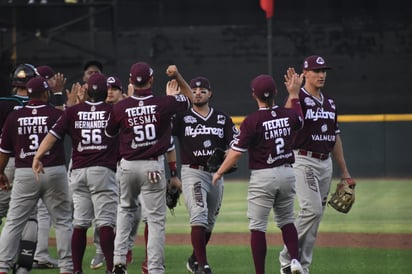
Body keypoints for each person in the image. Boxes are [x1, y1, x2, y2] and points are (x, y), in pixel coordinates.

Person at [211, 72, 304, 274]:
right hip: (288, 173)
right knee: (287, 220)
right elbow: (299, 119)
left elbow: (236, 154)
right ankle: (295, 260)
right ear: (277, 92)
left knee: (258, 226)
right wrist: (294, 95)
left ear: (254, 95)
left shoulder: (252, 120)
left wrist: (219, 172)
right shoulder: (288, 115)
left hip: (264, 176)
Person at [105, 62, 193, 274]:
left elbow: (109, 133)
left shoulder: (120, 107)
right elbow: (191, 98)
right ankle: (154, 268)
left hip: (127, 166)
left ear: (130, 82)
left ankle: (118, 263)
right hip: (152, 166)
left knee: (125, 211)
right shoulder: (164, 103)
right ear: (151, 80)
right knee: (154, 220)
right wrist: (178, 77)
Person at [33, 73, 119, 274]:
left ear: (86, 91)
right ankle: (110, 269)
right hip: (102, 171)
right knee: (105, 223)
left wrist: (37, 156)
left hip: (78, 172)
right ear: (107, 92)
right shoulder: (113, 111)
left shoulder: (73, 112)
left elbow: (52, 137)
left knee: (80, 223)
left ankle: (77, 270)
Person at [278, 56, 353, 274]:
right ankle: (286, 256)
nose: (321, 75)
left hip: (325, 163)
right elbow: (286, 120)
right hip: (302, 159)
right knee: (312, 209)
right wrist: (293, 93)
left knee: (316, 216)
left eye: (323, 71)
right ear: (305, 74)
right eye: (316, 71)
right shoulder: (298, 96)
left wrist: (345, 172)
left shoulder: (329, 102)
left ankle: (303, 266)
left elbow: (335, 137)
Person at [0, 76, 73, 274]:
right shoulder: (54, 113)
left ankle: (3, 267)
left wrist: (0, 172)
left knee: (14, 221)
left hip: (25, 171)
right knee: (63, 221)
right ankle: (67, 267)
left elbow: (4, 151)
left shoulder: (14, 116)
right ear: (46, 93)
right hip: (54, 170)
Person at [171, 76, 239, 274]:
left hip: (216, 174)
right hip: (193, 171)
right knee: (199, 217)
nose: (198, 92)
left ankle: (194, 259)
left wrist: (229, 153)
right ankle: (203, 266)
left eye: (203, 90)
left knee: (209, 223)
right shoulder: (182, 117)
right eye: (194, 90)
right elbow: (164, 134)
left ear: (210, 93)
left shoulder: (221, 118)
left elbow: (235, 141)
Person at [0, 63, 40, 274]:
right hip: (30, 164)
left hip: (5, 162)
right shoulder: (43, 106)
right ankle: (23, 267)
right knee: (29, 216)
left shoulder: (4, 103)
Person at [33, 64, 67, 269]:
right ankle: (44, 256)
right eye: (50, 79)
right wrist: (59, 94)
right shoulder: (50, 107)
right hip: (46, 164)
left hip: (25, 163)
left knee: (21, 217)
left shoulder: (21, 107)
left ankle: (8, 262)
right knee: (55, 215)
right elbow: (60, 119)